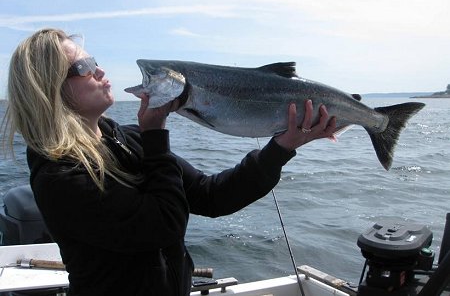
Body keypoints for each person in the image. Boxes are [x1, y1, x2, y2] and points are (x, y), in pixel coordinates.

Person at [2, 28, 336, 296]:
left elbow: (212, 195)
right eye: (84, 68)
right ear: (48, 88)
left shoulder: (129, 138)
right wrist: (156, 136)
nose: (100, 70)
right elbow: (161, 227)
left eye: (95, 61)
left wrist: (283, 146)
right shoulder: (59, 175)